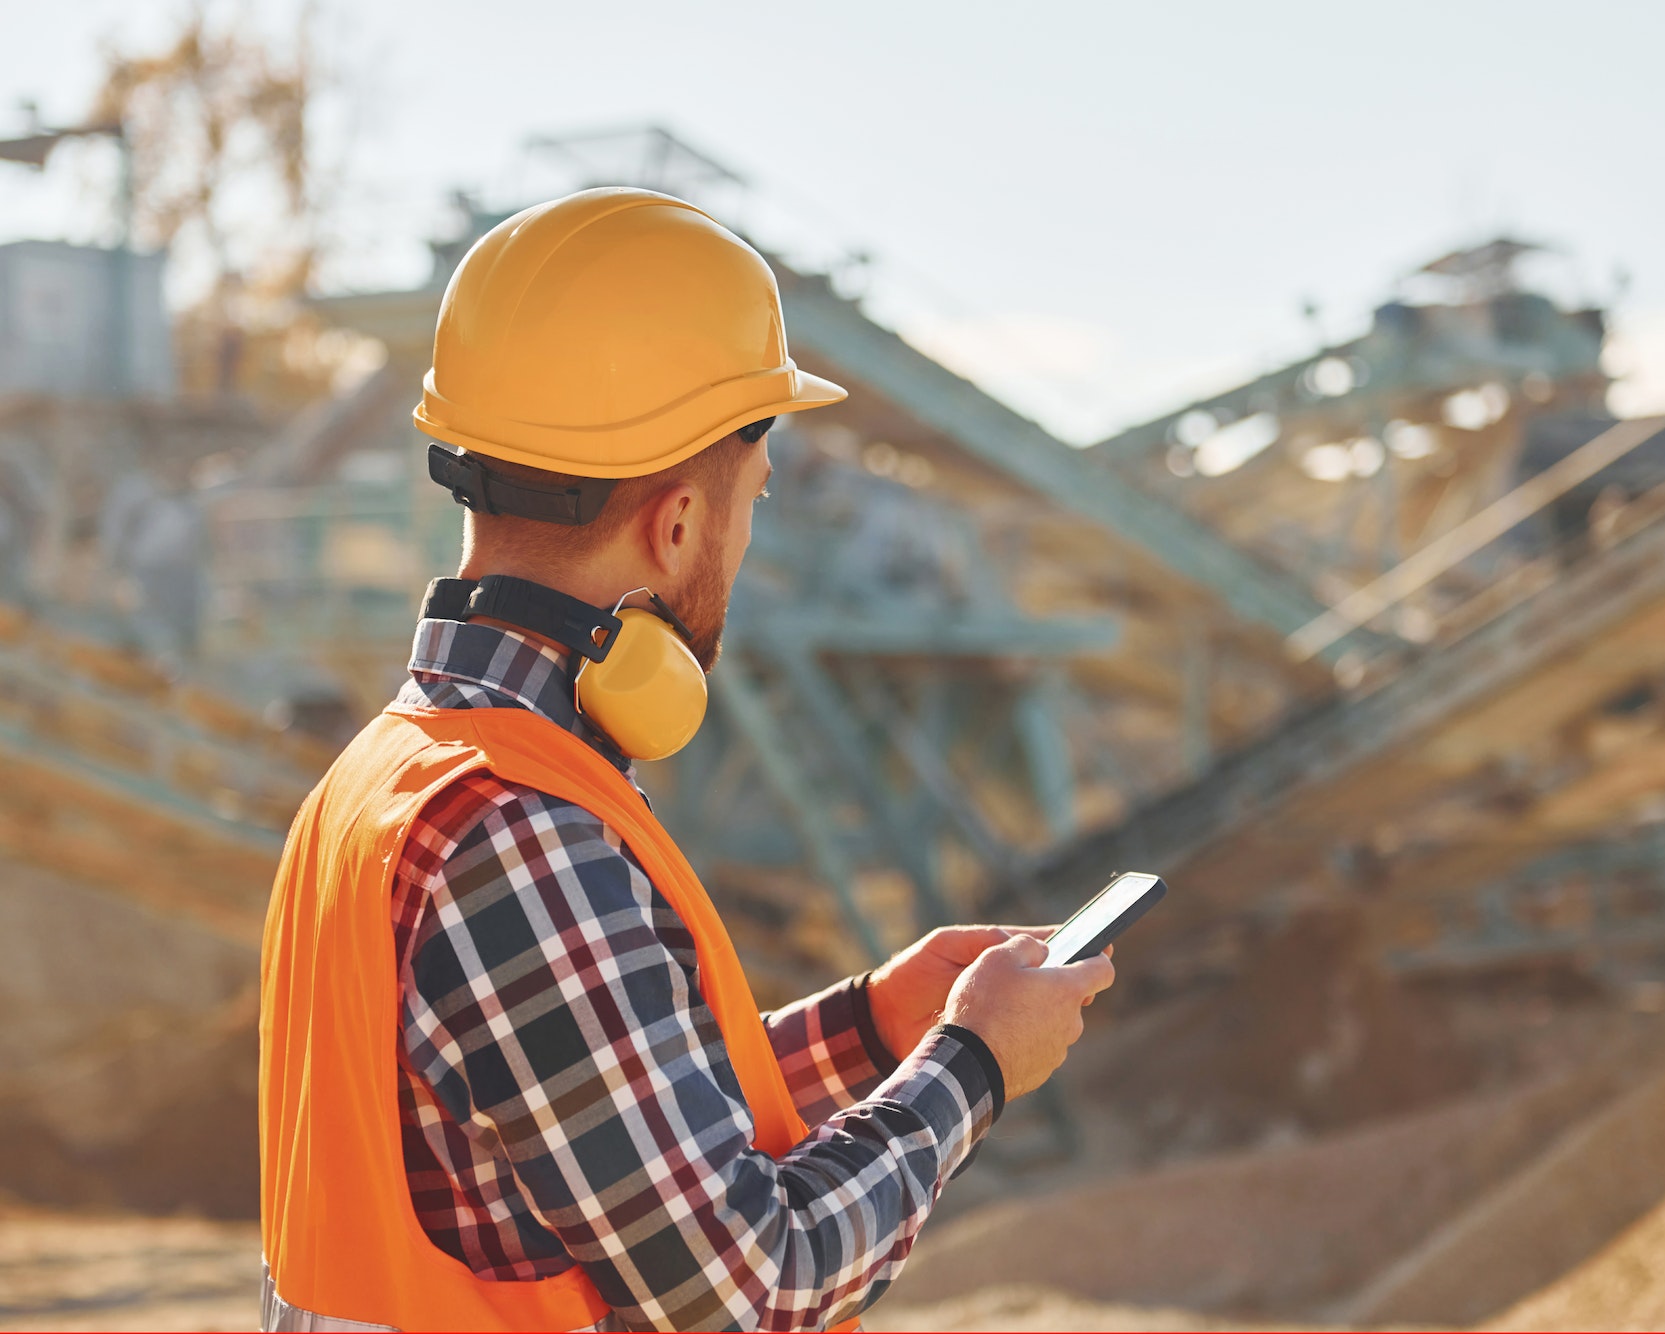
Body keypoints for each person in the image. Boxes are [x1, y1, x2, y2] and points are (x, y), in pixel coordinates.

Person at [259, 188, 1115, 1333]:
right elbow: (749, 1281)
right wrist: (974, 1061)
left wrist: (869, 1026)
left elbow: (589, 1123)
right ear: (673, 524)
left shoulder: (392, 776)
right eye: (749, 501)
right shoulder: (516, 829)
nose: (744, 540)